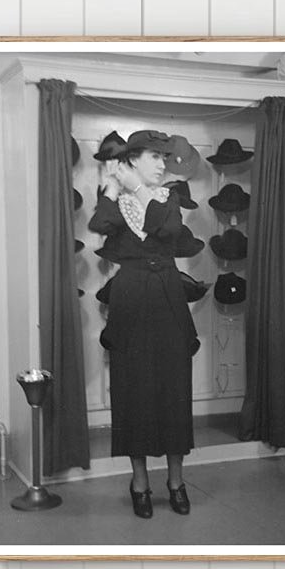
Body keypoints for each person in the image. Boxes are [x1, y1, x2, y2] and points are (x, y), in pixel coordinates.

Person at [88, 129, 199, 519]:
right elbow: (100, 225)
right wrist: (111, 188)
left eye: (164, 158)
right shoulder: (118, 201)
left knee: (173, 388)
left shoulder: (170, 197)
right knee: (132, 388)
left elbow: (165, 229)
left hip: (167, 295)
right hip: (131, 297)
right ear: (132, 158)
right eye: (154, 156)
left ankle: (175, 481)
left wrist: (136, 186)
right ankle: (139, 482)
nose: (162, 164)